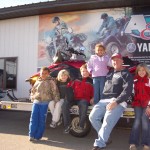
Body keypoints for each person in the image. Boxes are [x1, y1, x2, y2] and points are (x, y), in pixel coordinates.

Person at [89, 53, 133, 150]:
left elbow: (127, 91)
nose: (115, 61)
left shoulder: (126, 74)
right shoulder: (110, 72)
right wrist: (94, 96)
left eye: (117, 59)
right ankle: (106, 138)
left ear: (122, 61)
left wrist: (116, 102)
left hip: (117, 101)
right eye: (113, 60)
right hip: (103, 99)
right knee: (93, 117)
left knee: (107, 121)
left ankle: (99, 144)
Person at [29, 67, 60, 141]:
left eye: (45, 73)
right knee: (33, 119)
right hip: (36, 102)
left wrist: (56, 101)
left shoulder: (51, 81)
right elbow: (33, 91)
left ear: (48, 73)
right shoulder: (37, 80)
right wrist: (32, 98)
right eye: (42, 73)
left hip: (45, 103)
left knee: (41, 120)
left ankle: (38, 136)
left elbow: (55, 92)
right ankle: (31, 135)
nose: (43, 75)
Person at [62, 64, 94, 134]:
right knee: (65, 105)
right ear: (81, 72)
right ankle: (67, 125)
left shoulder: (92, 81)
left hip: (84, 99)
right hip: (74, 98)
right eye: (83, 71)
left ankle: (81, 125)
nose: (85, 73)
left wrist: (93, 98)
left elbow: (95, 92)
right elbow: (69, 86)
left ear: (89, 72)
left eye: (86, 71)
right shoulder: (76, 79)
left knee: (83, 105)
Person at [129, 63, 150, 150]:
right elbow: (131, 92)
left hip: (147, 104)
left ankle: (146, 143)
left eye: (143, 70)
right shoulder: (134, 80)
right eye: (139, 70)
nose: (141, 72)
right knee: (137, 121)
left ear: (146, 71)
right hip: (137, 104)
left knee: (144, 121)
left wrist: (149, 106)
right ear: (137, 71)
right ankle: (133, 142)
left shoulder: (149, 80)